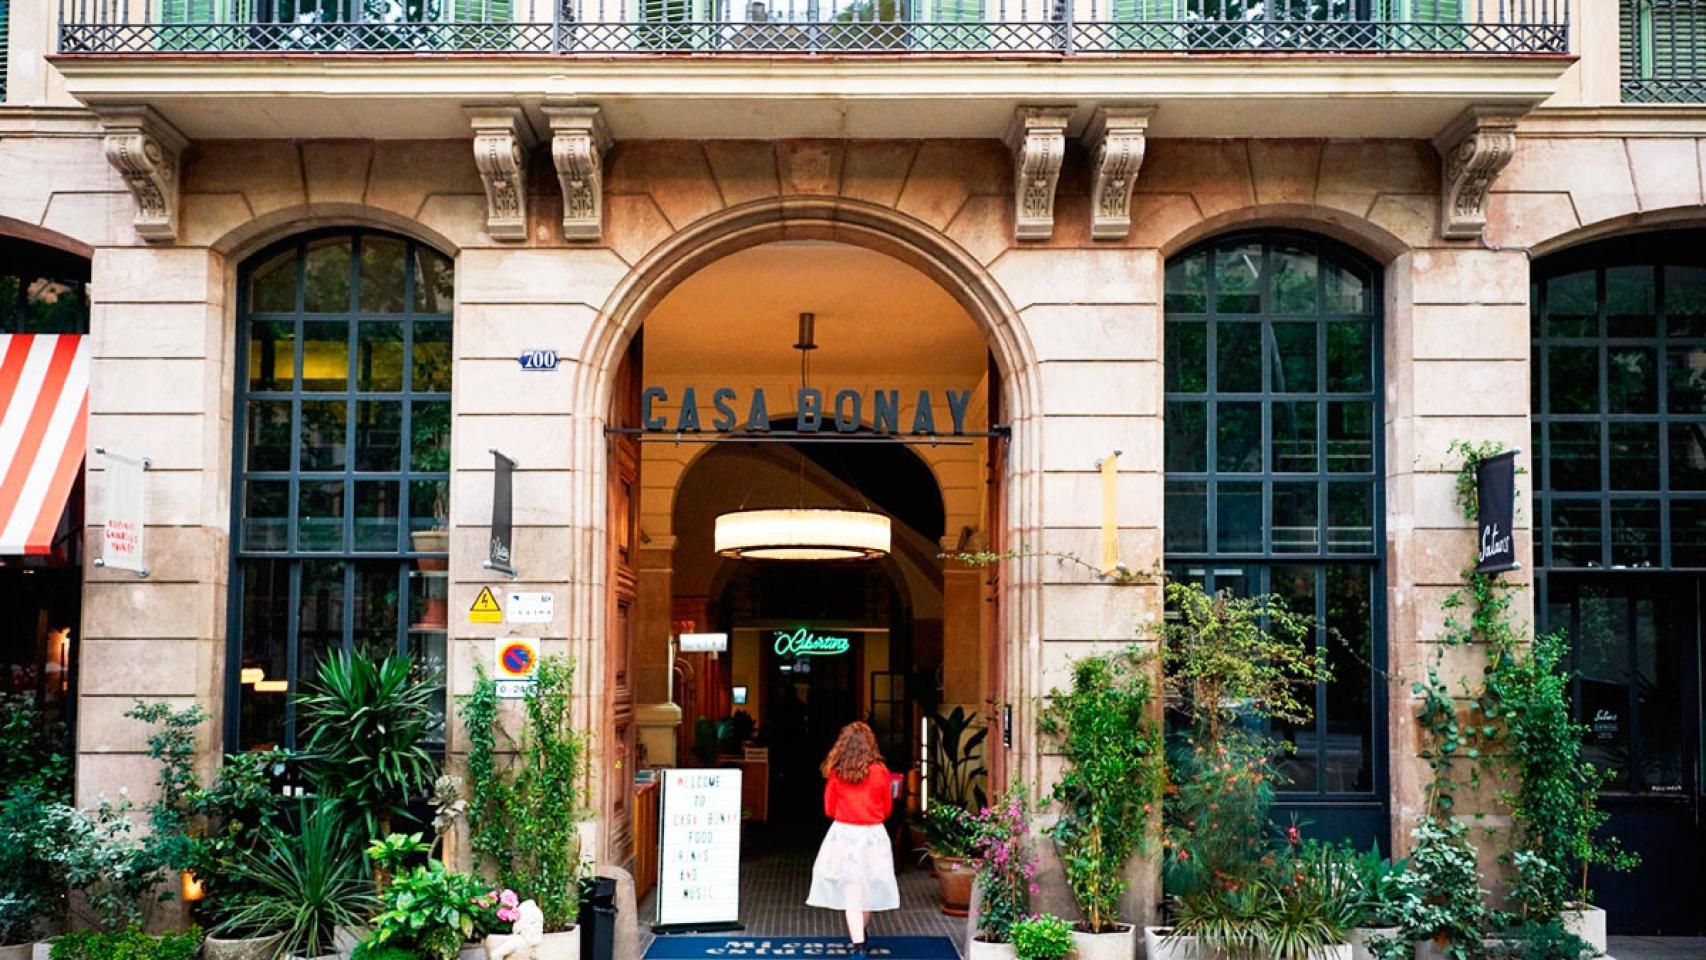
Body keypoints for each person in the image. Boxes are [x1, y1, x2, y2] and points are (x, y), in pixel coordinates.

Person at [806, 721, 899, 957]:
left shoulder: (837, 772)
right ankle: (860, 938)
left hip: (844, 835)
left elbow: (828, 808)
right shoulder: (880, 771)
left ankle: (859, 945)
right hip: (873, 835)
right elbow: (887, 808)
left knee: (851, 892)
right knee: (867, 888)